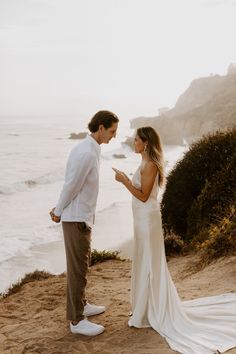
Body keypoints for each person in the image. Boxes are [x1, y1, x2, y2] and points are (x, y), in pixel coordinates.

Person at [113, 126, 236, 354]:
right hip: (141, 220)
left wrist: (123, 180)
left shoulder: (150, 165)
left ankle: (151, 310)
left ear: (146, 143)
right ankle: (144, 307)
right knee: (144, 261)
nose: (133, 143)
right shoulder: (145, 163)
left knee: (150, 263)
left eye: (136, 140)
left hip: (147, 220)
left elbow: (142, 196)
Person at [50, 110, 119, 336]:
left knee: (82, 265)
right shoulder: (86, 153)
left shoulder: (91, 149)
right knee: (78, 269)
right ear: (100, 127)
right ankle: (77, 321)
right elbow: (72, 185)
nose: (114, 136)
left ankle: (82, 305)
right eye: (112, 131)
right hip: (75, 218)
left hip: (82, 217)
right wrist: (58, 211)